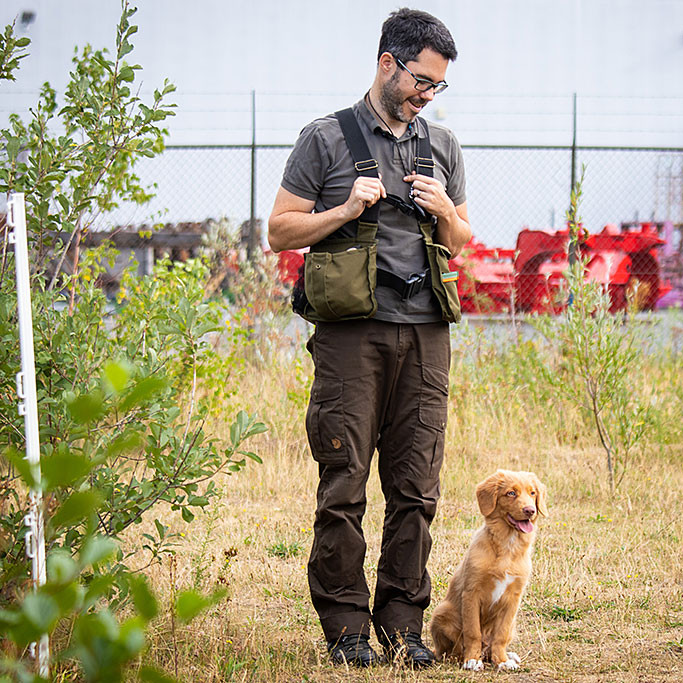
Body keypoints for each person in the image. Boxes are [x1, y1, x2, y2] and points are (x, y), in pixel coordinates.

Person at [268, 7, 470, 669]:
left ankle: (404, 622)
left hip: (426, 335)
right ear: (387, 63)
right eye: (420, 80)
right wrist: (346, 209)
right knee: (345, 479)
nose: (426, 94)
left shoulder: (440, 145)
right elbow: (279, 230)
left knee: (417, 486)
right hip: (351, 338)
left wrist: (444, 212)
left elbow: (462, 240)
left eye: (436, 86)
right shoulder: (325, 138)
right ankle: (347, 624)